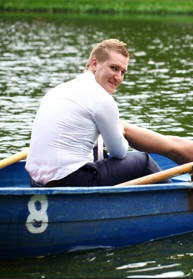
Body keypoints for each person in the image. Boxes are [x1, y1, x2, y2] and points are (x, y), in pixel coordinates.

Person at [25, 39, 163, 187]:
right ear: (94, 64)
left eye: (123, 72)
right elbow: (119, 153)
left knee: (98, 152)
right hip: (70, 180)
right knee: (143, 161)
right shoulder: (102, 99)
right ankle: (176, 201)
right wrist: (119, 130)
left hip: (36, 181)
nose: (119, 78)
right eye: (114, 68)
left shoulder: (59, 90)